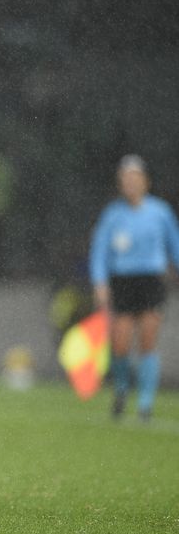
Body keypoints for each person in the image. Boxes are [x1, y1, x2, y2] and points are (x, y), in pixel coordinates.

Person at [89, 154, 179, 421]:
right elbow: (99, 251)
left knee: (148, 342)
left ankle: (145, 403)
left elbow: (174, 246)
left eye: (135, 178)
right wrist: (100, 282)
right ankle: (121, 390)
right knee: (121, 343)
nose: (131, 184)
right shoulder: (113, 215)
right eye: (126, 179)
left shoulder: (160, 212)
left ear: (145, 182)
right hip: (124, 282)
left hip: (151, 280)